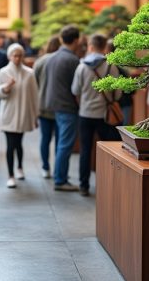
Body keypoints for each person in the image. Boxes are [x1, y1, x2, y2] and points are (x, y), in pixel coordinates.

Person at [71, 34, 121, 196]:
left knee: (85, 149)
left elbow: (75, 91)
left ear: (90, 46)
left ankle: (84, 185)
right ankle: (109, 183)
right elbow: (118, 94)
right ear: (105, 48)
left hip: (85, 113)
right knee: (109, 149)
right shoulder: (111, 67)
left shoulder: (81, 67)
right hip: (105, 115)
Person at [44, 25, 82, 191]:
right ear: (76, 40)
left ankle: (61, 175)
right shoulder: (72, 60)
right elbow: (76, 88)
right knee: (65, 144)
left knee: (61, 143)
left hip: (55, 104)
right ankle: (60, 180)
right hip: (67, 106)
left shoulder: (52, 57)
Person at [0, 43, 39, 189]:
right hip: (9, 113)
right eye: (14, 55)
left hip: (23, 113)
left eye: (20, 55)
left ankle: (20, 167)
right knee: (10, 144)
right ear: (9, 56)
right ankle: (10, 175)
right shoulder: (3, 72)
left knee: (19, 143)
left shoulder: (29, 73)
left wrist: (35, 115)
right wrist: (6, 87)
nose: (17, 58)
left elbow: (34, 95)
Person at [33, 36, 61, 178]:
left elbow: (34, 85)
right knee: (59, 140)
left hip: (43, 105)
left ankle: (45, 167)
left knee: (45, 138)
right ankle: (58, 168)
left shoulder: (40, 61)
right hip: (59, 107)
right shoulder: (62, 60)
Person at [107, 39, 134, 125]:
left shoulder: (107, 68)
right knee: (123, 129)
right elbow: (132, 90)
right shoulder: (123, 68)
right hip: (125, 103)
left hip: (113, 104)